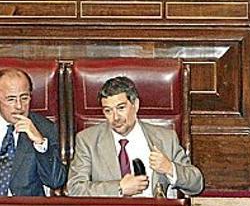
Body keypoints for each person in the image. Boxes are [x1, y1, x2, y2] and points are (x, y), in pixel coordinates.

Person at [67, 76, 203, 197]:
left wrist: (170, 168)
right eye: (108, 111)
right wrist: (119, 188)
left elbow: (196, 185)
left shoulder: (165, 139)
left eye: (121, 108)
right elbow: (75, 188)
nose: (115, 118)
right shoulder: (87, 141)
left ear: (135, 105)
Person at [0, 68, 66, 196]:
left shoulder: (45, 128)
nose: (19, 106)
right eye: (11, 99)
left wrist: (40, 143)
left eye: (24, 98)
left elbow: (55, 181)